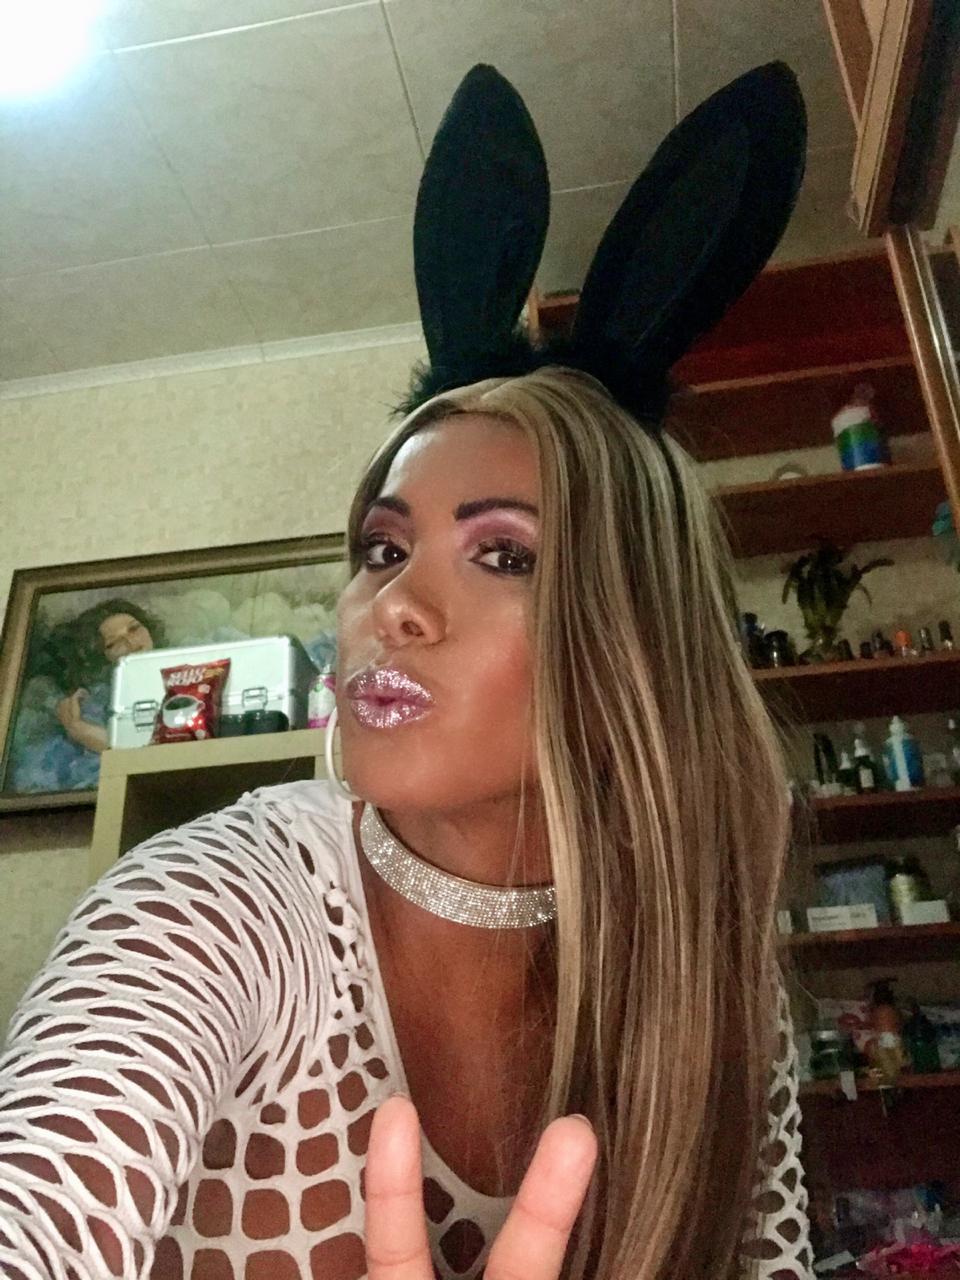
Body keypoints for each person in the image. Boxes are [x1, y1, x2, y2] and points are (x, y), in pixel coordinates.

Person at [0, 62, 812, 1280]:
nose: (394, 606)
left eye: (504, 554)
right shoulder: (211, 905)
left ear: (639, 637)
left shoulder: (719, 992)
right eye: (382, 549)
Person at [7, 599, 162, 793]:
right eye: (113, 643)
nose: (130, 642)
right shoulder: (99, 700)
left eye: (134, 629)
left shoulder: (187, 675)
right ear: (103, 656)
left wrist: (83, 731)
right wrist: (79, 729)